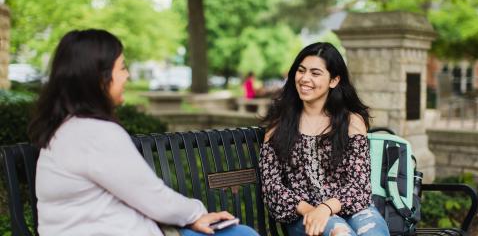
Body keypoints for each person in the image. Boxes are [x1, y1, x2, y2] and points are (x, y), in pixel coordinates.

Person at [29, 29, 259, 236]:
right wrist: (197, 213)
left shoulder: (66, 128)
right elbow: (154, 199)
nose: (127, 75)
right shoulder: (94, 133)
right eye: (122, 67)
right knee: (242, 235)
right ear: (99, 78)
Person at [259, 42, 389, 236]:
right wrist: (311, 211)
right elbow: (272, 187)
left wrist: (326, 208)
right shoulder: (279, 124)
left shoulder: (351, 122)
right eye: (301, 71)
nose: (305, 78)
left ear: (334, 80)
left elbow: (359, 184)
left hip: (352, 208)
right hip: (303, 215)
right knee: (340, 233)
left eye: (315, 73)